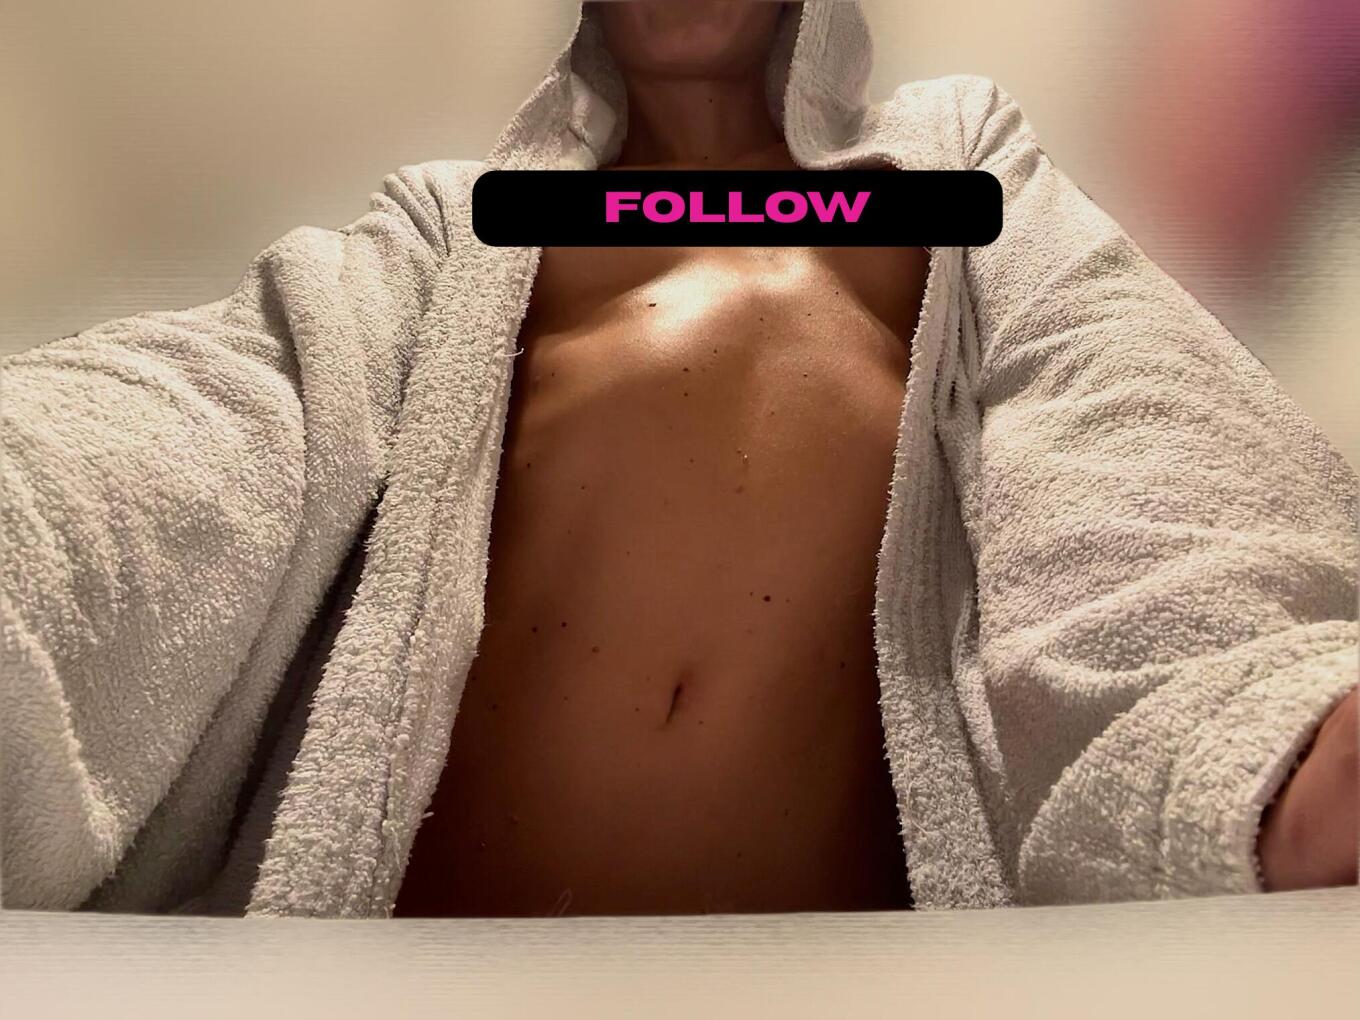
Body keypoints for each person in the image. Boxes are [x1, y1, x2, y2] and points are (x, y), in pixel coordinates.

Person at [1, 1, 1354, 918]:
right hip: (427, 972)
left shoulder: (961, 178)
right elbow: (176, 447)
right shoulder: (454, 235)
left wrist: (1287, 749)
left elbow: (1146, 461)